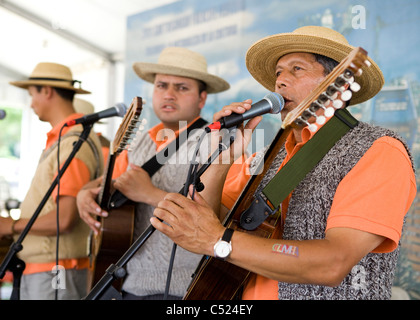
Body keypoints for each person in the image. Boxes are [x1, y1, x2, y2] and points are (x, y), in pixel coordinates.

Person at [150, 26, 417, 300]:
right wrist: (224, 156)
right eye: (278, 72)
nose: (280, 81)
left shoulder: (378, 149)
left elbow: (334, 262)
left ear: (339, 84)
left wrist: (220, 241)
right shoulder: (270, 154)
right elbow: (206, 221)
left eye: (297, 69)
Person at [76, 47, 230, 299]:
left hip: (179, 290)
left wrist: (149, 194)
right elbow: (103, 183)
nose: (168, 94)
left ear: (202, 99)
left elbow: (222, 217)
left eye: (181, 87)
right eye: (161, 85)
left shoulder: (217, 144)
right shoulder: (140, 141)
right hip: (123, 282)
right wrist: (83, 195)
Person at [0, 62, 104, 300]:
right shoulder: (65, 140)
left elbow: (65, 218)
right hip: (47, 271)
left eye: (32, 94)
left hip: (54, 273)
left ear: (46, 91)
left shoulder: (72, 142)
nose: (31, 103)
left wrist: (10, 226)